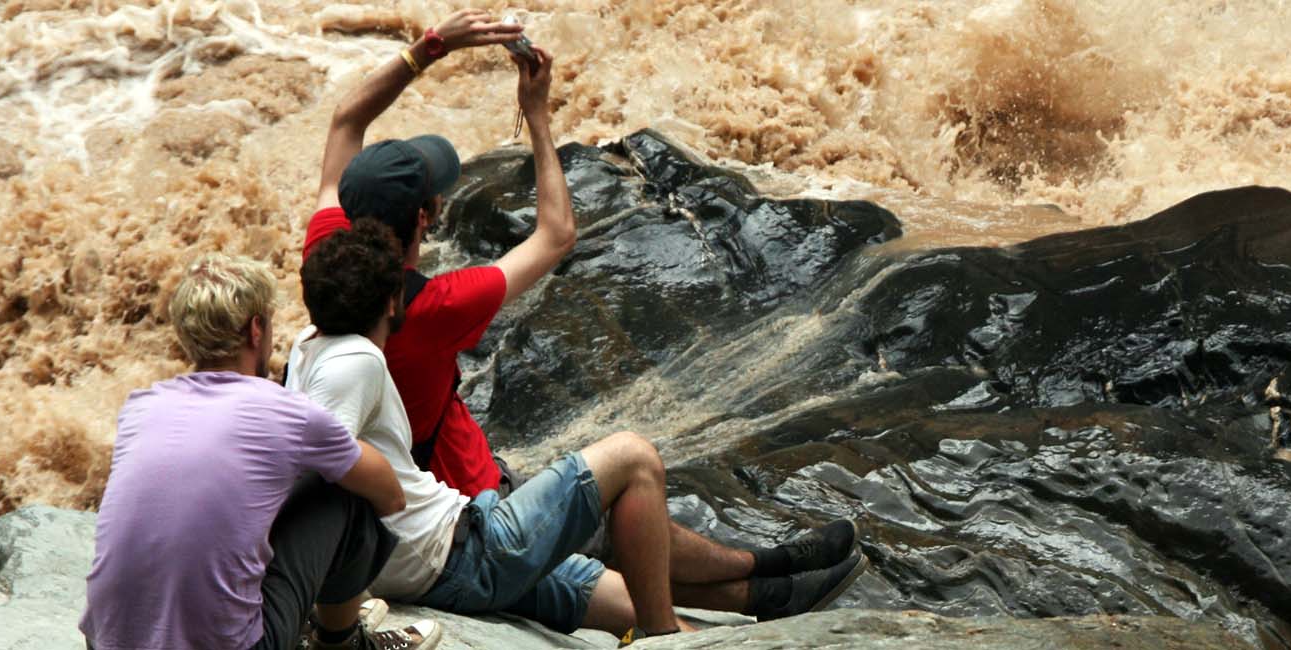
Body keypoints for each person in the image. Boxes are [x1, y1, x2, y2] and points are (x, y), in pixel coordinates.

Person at [298, 8, 867, 636]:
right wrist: (532, 111)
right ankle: (751, 584)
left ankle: (760, 584)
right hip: (467, 500)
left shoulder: (326, 257)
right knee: (619, 497)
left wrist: (428, 49)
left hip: (442, 516)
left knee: (611, 580)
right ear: (426, 218)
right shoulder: (435, 307)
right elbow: (556, 233)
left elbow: (345, 118)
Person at [80, 254, 440, 650]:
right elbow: (390, 494)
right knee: (343, 490)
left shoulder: (140, 406)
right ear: (256, 329)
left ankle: (315, 620)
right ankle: (341, 639)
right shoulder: (284, 411)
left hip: (107, 642)